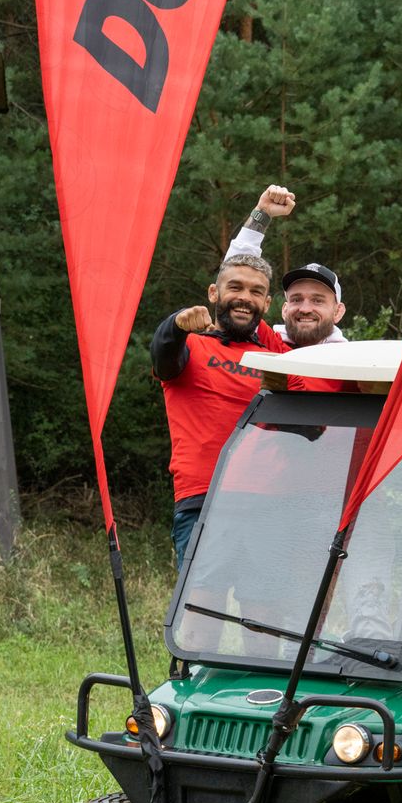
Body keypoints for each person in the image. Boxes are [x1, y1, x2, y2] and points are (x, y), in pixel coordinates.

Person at [150, 252, 291, 567]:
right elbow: (163, 355)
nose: (244, 298)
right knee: (199, 609)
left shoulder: (277, 362)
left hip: (270, 505)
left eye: (256, 292)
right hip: (205, 500)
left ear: (266, 304)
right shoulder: (191, 346)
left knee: (265, 615)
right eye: (235, 288)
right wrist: (174, 325)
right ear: (214, 293)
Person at [225, 184, 348, 348]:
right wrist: (263, 212)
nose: (305, 309)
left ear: (338, 311)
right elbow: (235, 274)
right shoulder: (265, 345)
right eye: (296, 299)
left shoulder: (353, 362)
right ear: (284, 310)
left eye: (318, 301)